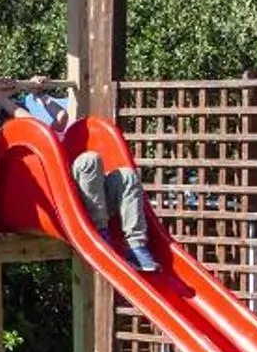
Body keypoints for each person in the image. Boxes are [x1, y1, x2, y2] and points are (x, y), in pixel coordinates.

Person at [21, 89, 158, 272]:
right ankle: (99, 233)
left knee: (126, 175)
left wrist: (41, 95)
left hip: (92, 201)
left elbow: (62, 116)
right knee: (89, 160)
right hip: (66, 204)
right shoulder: (24, 135)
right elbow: (23, 117)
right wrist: (0, 95)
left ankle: (136, 245)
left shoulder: (55, 132)